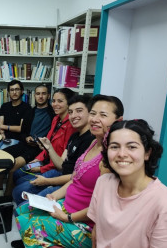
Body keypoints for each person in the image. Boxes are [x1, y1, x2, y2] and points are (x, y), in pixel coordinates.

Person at [13, 94, 124, 248]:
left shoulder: (109, 156)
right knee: (22, 210)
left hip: (82, 222)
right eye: (93, 113)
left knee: (29, 224)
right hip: (67, 205)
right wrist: (54, 196)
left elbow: (101, 207)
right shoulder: (92, 142)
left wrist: (67, 217)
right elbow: (75, 179)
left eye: (103, 115)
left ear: (117, 121)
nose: (95, 119)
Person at [88, 119, 167, 248]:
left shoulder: (165, 204)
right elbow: (96, 236)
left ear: (147, 153)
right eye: (114, 147)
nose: (122, 154)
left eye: (132, 147)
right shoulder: (103, 183)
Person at [12, 95, 95, 205]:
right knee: (17, 191)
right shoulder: (74, 136)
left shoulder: (91, 140)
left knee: (23, 202)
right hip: (61, 174)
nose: (73, 116)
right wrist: (49, 147)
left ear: (90, 113)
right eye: (70, 112)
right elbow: (61, 165)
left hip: (69, 183)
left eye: (79, 111)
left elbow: (76, 178)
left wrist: (47, 181)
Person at [4, 88, 76, 196]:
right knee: (17, 174)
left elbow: (61, 162)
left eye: (60, 101)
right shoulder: (56, 119)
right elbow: (47, 145)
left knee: (18, 189)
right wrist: (38, 159)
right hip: (44, 159)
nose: (55, 104)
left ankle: (19, 203)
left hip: (56, 167)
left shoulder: (71, 125)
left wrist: (41, 168)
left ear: (69, 103)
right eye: (54, 101)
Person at [0, 84, 55, 197]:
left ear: (48, 96)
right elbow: (23, 132)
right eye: (38, 94)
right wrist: (26, 138)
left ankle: (7, 197)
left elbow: (52, 136)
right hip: (25, 143)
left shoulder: (52, 114)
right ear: (34, 96)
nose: (40, 96)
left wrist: (40, 142)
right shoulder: (30, 112)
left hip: (39, 150)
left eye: (44, 94)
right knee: (0, 157)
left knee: (13, 165)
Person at [0, 79, 32, 150]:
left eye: (17, 89)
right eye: (12, 90)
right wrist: (2, 133)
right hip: (3, 138)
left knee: (2, 152)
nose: (14, 92)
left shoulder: (27, 108)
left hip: (17, 140)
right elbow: (0, 125)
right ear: (8, 92)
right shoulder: (4, 106)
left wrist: (3, 127)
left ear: (22, 91)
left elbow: (20, 128)